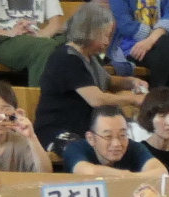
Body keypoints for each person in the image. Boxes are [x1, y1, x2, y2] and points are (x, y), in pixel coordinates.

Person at [35, 2, 145, 145]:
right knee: (89, 149)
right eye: (105, 35)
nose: (107, 42)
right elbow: (97, 100)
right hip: (57, 130)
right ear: (90, 31)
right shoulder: (67, 58)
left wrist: (130, 82)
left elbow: (107, 81)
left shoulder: (89, 57)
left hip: (84, 130)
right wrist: (133, 100)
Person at [58, 101, 164, 173]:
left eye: (122, 135)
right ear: (91, 138)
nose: (116, 143)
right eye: (108, 136)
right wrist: (125, 176)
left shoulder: (134, 148)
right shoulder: (75, 149)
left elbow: (160, 171)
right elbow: (88, 172)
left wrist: (130, 177)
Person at [103, 0, 169, 89]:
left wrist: (150, 41)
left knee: (167, 42)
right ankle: (159, 92)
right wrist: (154, 38)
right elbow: (125, 24)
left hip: (165, 44)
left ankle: (155, 93)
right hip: (133, 47)